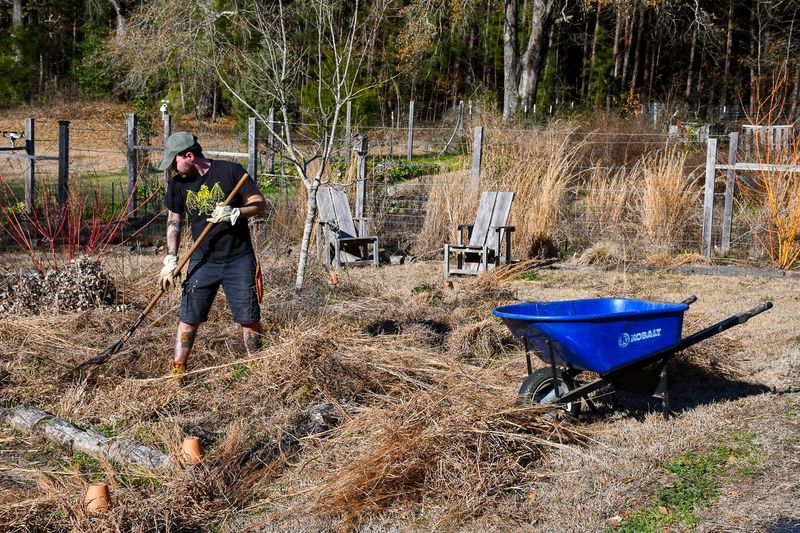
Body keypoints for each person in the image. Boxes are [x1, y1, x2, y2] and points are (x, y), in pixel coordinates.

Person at [156, 131, 267, 378]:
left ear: (189, 156)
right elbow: (174, 221)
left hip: (239, 258)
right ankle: (178, 371)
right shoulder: (177, 184)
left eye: (174, 161)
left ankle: (258, 369)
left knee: (248, 317)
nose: (173, 168)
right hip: (203, 259)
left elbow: (259, 202)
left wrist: (236, 212)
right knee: (188, 316)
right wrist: (171, 258)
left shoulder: (231, 172)